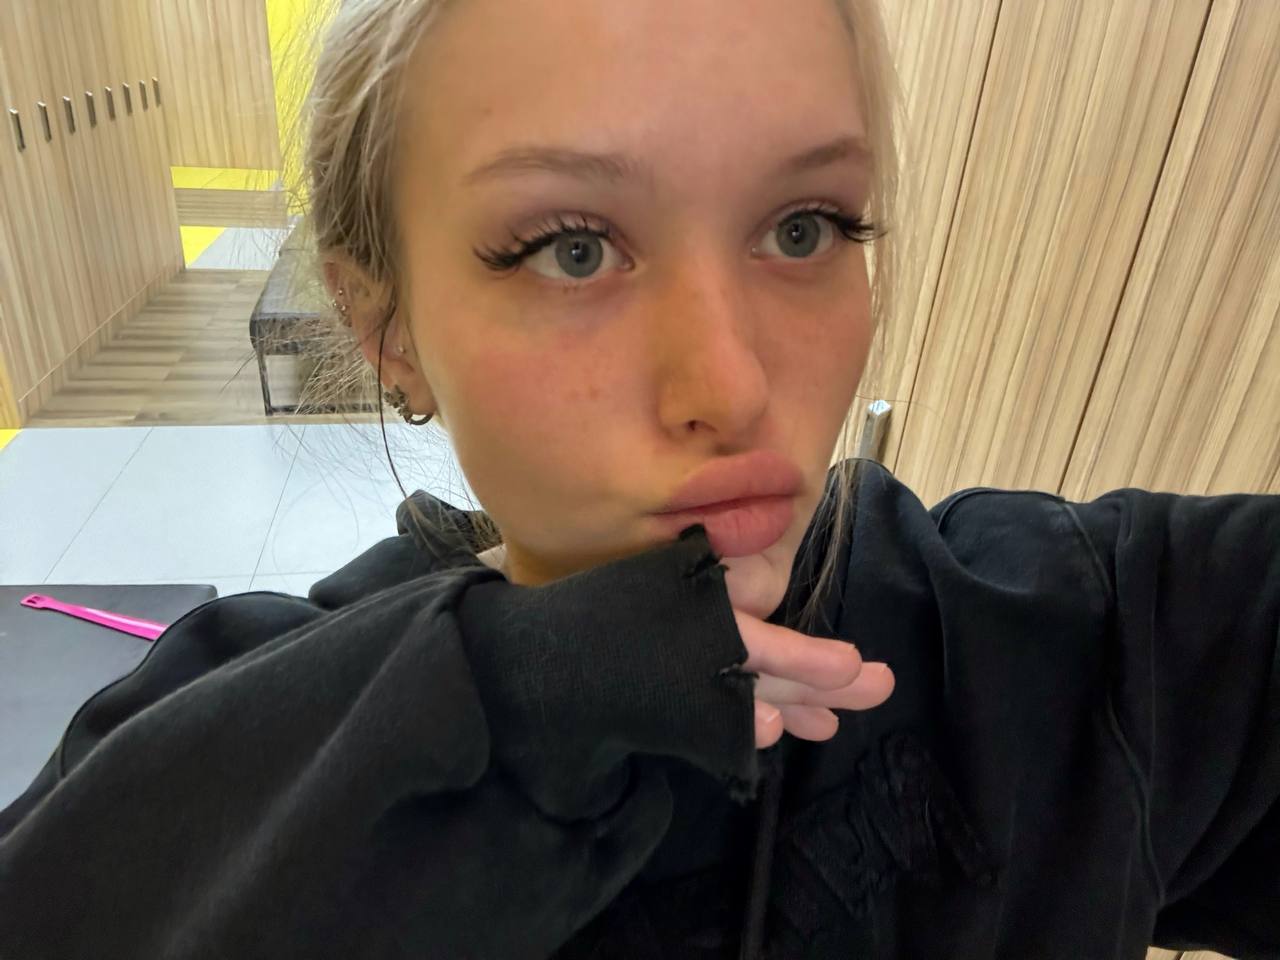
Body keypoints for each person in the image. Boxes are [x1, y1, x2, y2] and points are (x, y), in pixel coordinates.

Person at [2, 0, 1277, 957]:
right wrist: (491, 704)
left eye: (803, 229)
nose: (729, 383)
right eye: (572, 248)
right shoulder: (216, 743)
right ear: (386, 328)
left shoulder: (1070, 640)